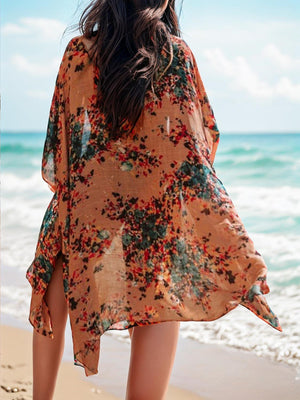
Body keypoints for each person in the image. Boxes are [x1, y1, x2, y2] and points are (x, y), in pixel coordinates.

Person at [25, 1, 282, 399]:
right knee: (162, 286)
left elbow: (62, 149)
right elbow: (198, 148)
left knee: (57, 259)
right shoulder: (176, 55)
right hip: (152, 210)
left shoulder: (79, 52)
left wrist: (92, 190)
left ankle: (40, 395)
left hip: (91, 206)